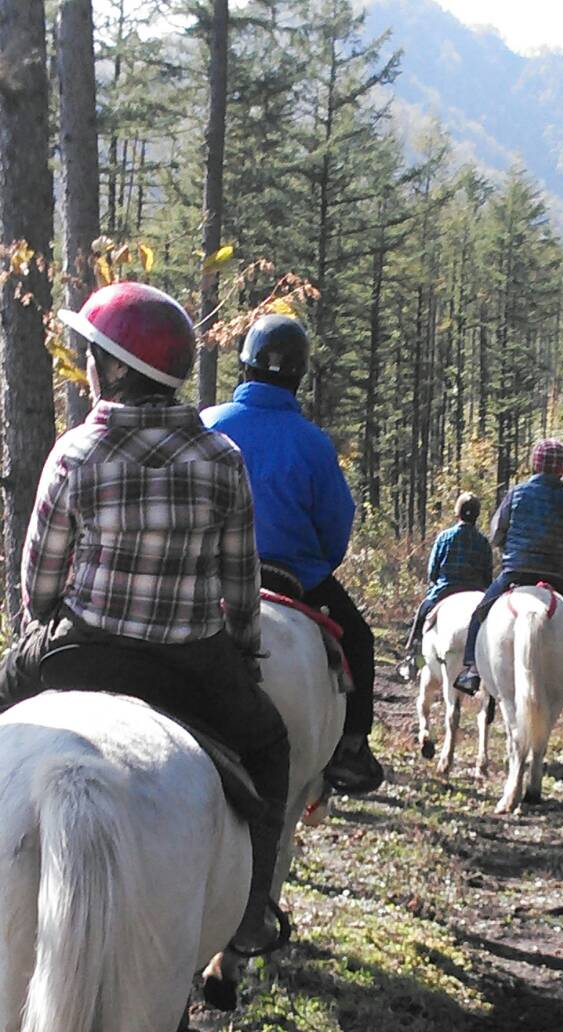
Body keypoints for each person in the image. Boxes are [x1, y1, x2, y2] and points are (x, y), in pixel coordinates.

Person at [0, 281, 290, 956]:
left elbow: (39, 585)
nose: (90, 366)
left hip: (82, 648)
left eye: (95, 355)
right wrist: (243, 653)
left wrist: (39, 626)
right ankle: (249, 917)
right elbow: (240, 586)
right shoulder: (222, 458)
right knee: (271, 749)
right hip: (193, 659)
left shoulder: (75, 452)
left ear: (117, 370)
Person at [202, 313, 383, 795]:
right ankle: (351, 750)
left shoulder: (208, 425)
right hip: (291, 576)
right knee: (360, 642)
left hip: (209, 575)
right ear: (299, 376)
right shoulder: (313, 443)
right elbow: (335, 525)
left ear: (245, 367)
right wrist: (314, 566)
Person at [452, 438, 563, 699]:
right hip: (556, 576)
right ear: (562, 468)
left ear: (534, 464)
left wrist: (510, 550)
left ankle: (472, 669)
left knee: (480, 612)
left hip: (516, 571)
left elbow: (497, 534)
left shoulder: (517, 493)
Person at [397, 491, 493, 681]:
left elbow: (433, 571)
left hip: (445, 590)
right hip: (476, 591)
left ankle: (414, 658)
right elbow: (487, 575)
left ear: (457, 512)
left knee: (423, 612)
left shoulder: (445, 537)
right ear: (477, 514)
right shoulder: (483, 542)